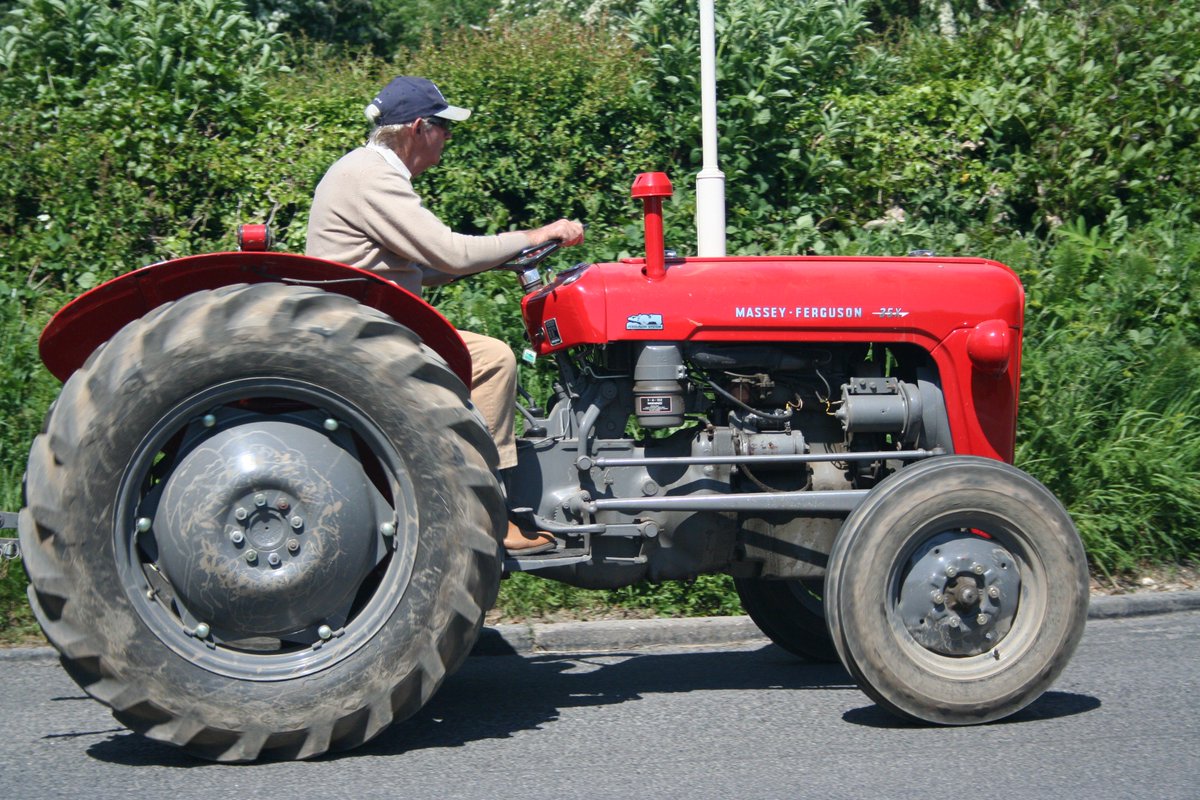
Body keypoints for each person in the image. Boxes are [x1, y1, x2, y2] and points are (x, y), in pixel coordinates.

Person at [306, 75, 584, 554]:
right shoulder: (373, 176)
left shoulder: (366, 171)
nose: (448, 138)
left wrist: (496, 256)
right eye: (443, 127)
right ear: (418, 128)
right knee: (493, 360)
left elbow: (424, 265)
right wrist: (536, 234)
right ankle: (488, 512)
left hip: (363, 325)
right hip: (364, 334)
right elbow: (449, 253)